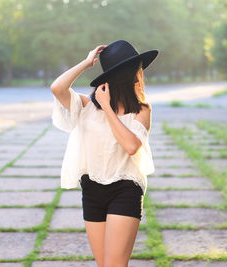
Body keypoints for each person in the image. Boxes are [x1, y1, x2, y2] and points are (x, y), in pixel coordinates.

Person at [50, 40, 158, 267]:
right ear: (126, 76)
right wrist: (86, 63)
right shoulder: (86, 106)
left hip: (125, 190)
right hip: (92, 191)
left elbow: (131, 146)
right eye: (137, 69)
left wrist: (108, 108)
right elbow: (57, 88)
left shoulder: (142, 110)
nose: (140, 75)